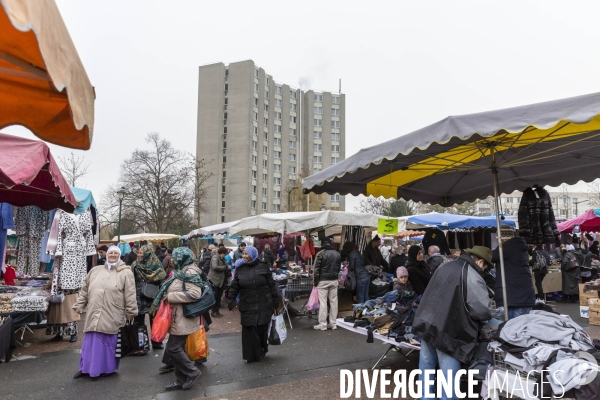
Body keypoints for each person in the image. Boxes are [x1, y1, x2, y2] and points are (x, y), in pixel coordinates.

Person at [412, 246, 492, 399]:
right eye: (485, 267)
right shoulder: (472, 275)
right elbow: (483, 310)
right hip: (449, 329)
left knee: (426, 367)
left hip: (427, 323)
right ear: (480, 261)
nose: (484, 270)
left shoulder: (445, 264)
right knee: (448, 375)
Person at [72, 246, 138, 379]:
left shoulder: (126, 273)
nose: (113, 255)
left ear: (119, 256)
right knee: (90, 342)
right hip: (94, 311)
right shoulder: (95, 270)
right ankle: (85, 368)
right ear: (106, 255)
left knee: (107, 341)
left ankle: (105, 369)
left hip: (112, 312)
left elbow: (130, 294)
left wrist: (131, 312)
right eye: (110, 253)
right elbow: (85, 290)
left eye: (116, 253)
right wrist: (79, 305)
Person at [150, 247, 203, 391]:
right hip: (178, 316)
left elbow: (195, 293)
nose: (171, 260)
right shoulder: (181, 271)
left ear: (182, 258)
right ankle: (180, 380)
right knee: (178, 348)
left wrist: (171, 297)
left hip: (183, 317)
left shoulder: (189, 272)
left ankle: (192, 372)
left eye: (174, 257)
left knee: (173, 348)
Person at [227, 246, 278, 363]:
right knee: (249, 328)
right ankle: (251, 354)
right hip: (247, 303)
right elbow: (235, 286)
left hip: (264, 303)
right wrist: (231, 299)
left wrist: (275, 300)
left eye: (246, 254)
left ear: (253, 255)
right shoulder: (240, 268)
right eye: (243, 254)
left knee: (261, 328)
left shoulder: (263, 266)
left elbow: (271, 284)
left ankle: (262, 348)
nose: (243, 256)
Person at [492, 236, 535, 319]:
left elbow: (490, 256)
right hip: (525, 296)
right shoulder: (520, 247)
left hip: (514, 299)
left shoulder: (506, 247)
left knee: (513, 329)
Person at [132, 244, 166, 350]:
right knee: (138, 321)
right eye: (138, 252)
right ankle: (141, 343)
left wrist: (162, 296)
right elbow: (130, 280)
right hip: (138, 297)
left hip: (153, 297)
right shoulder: (135, 265)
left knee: (155, 321)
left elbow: (162, 282)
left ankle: (156, 342)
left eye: (141, 253)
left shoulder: (157, 265)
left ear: (148, 253)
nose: (139, 255)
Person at [313, 238, 342, 331]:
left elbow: (316, 270)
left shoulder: (321, 254)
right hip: (334, 280)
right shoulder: (337, 254)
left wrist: (315, 282)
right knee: (334, 302)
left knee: (323, 302)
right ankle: (333, 323)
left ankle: (323, 324)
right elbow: (338, 268)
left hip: (323, 280)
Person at [209, 247, 228, 318]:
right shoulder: (215, 258)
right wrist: (224, 267)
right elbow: (214, 267)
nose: (225, 255)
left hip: (220, 280)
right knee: (215, 296)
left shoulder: (221, 258)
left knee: (219, 296)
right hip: (214, 280)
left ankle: (217, 311)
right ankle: (214, 311)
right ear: (222, 253)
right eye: (225, 253)